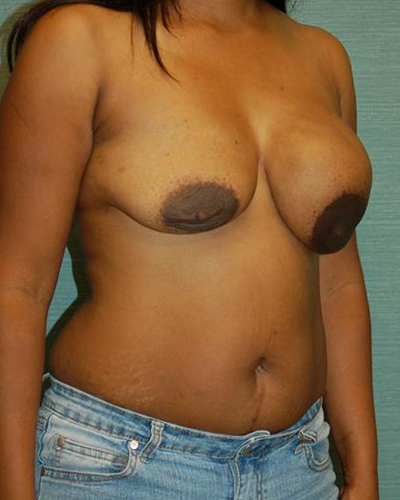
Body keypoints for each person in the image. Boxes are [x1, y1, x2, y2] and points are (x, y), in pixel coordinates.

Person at [0, 0, 379, 499]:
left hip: (299, 467)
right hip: (120, 469)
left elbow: (338, 285)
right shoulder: (79, 41)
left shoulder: (324, 57)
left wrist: (363, 472)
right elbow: (17, 290)